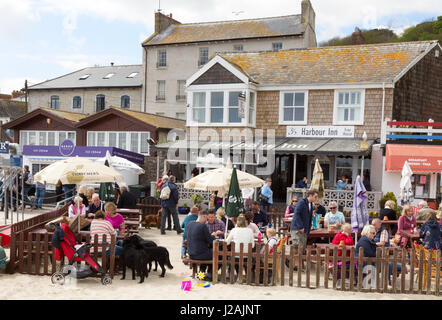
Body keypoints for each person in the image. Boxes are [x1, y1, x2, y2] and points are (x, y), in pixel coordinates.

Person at [290, 190, 318, 269]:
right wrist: (300, 226)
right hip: (297, 228)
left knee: (302, 248)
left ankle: (296, 264)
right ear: (310, 195)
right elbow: (297, 214)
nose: (316, 198)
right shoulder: (302, 202)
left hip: (304, 229)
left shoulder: (310, 204)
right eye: (315, 196)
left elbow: (308, 217)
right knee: (297, 246)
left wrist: (308, 228)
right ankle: (295, 264)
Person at [185, 210, 217, 279]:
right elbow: (210, 241)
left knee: (208, 252)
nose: (207, 221)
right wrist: (213, 235)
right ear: (204, 217)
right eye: (207, 219)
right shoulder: (202, 226)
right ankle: (210, 274)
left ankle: (201, 275)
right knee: (218, 254)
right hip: (200, 254)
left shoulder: (189, 224)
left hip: (191, 253)